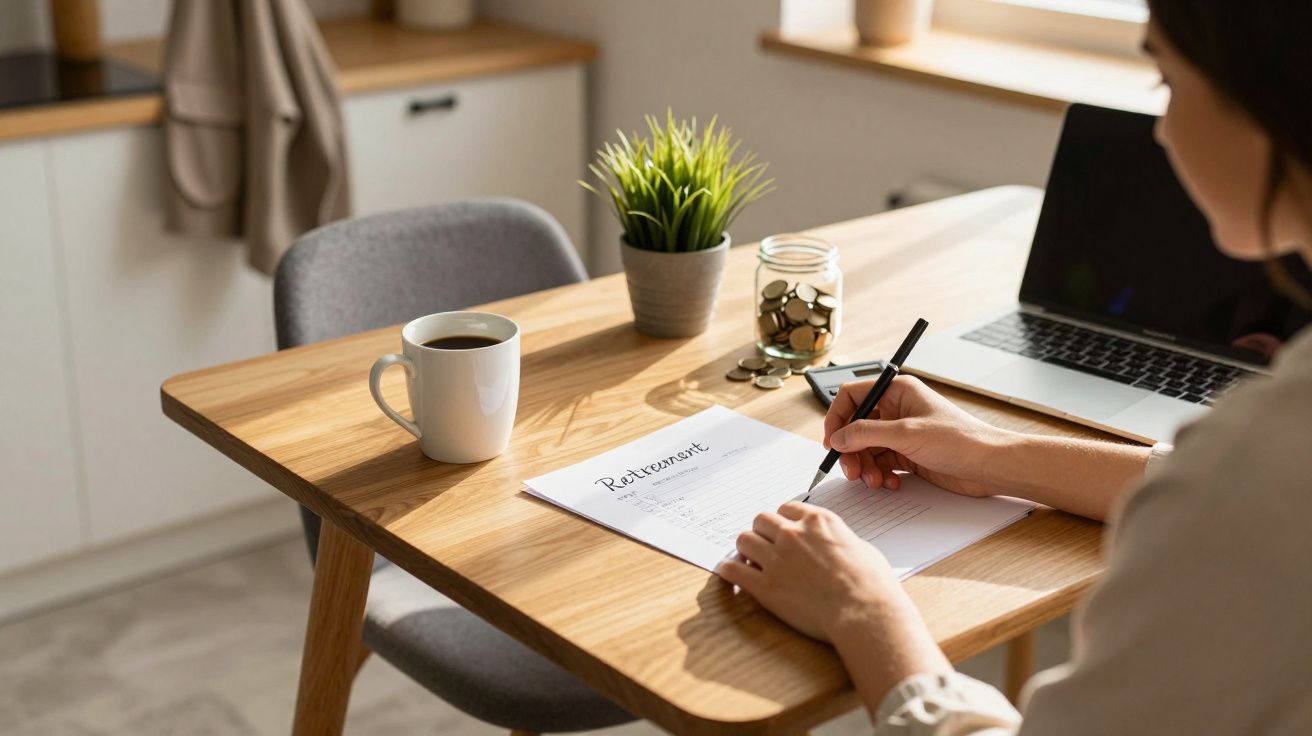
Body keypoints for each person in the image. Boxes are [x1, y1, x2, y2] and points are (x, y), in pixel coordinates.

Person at [718, 2, 1312, 733]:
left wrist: (864, 611)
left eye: (1165, 79)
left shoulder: (1257, 466)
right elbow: (1212, 490)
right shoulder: (1259, 460)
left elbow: (1235, 496)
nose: (1159, 128)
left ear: (1264, 90)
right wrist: (988, 453)